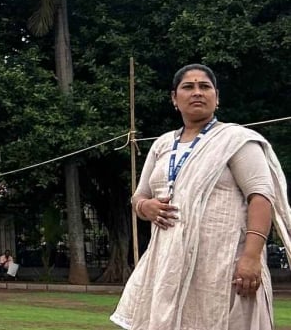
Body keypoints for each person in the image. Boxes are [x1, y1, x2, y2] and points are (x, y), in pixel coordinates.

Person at [112, 64, 291, 330]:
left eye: (204, 87)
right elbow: (139, 196)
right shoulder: (162, 144)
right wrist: (145, 206)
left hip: (224, 265)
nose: (197, 92)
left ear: (216, 97)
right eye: (188, 87)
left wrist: (251, 257)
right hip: (169, 266)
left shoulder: (236, 140)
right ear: (174, 98)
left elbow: (261, 196)